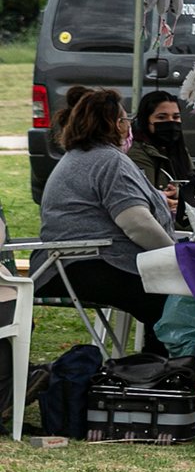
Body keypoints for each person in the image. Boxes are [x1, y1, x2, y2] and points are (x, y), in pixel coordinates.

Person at [38, 88, 176, 355]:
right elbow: (137, 223)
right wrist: (176, 255)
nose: (128, 126)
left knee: (169, 293)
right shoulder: (108, 160)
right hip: (86, 264)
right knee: (177, 299)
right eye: (126, 120)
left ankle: (156, 369)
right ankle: (163, 372)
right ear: (115, 124)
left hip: (66, 264)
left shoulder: (80, 156)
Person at [127, 90, 191, 217]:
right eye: (161, 117)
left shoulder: (179, 150)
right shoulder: (138, 153)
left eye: (176, 117)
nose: (171, 122)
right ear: (146, 120)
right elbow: (143, 197)